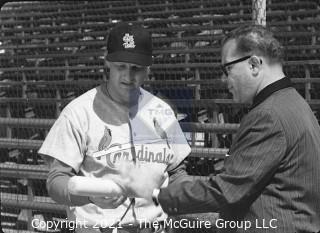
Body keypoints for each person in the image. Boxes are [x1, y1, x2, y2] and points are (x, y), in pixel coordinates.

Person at [116, 24, 320, 233]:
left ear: (254, 65)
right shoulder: (294, 103)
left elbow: (227, 190)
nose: (224, 80)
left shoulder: (269, 115)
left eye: (227, 69)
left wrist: (156, 195)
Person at [38, 22, 191, 233]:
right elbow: (56, 181)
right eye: (121, 66)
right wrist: (89, 196)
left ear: (149, 67)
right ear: (107, 63)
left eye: (136, 68)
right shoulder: (78, 112)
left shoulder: (162, 111)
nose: (128, 76)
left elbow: (177, 171)